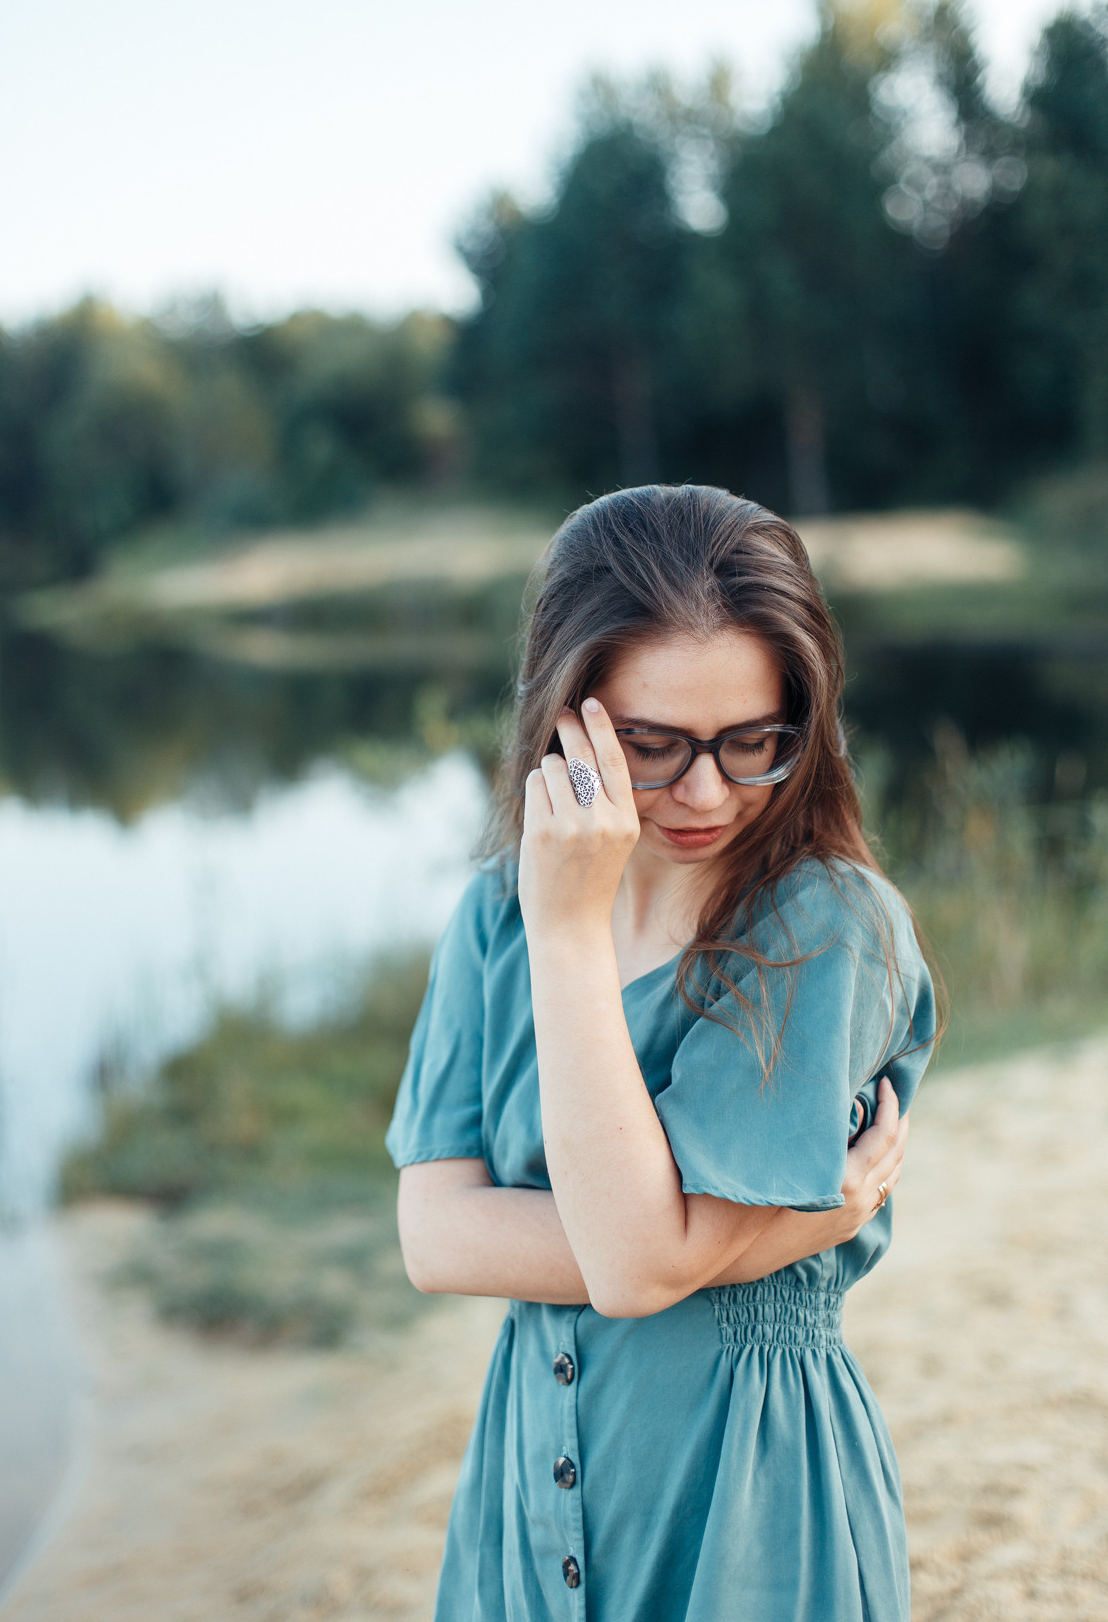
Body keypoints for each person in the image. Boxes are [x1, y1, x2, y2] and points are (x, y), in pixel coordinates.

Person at [387, 484, 938, 1622]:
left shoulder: (825, 925)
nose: (703, 792)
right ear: (565, 719)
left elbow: (636, 1268)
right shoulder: (502, 911)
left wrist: (575, 936)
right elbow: (434, 1237)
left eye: (752, 742)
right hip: (529, 1474)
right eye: (650, 745)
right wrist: (755, 1232)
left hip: (746, 1488)